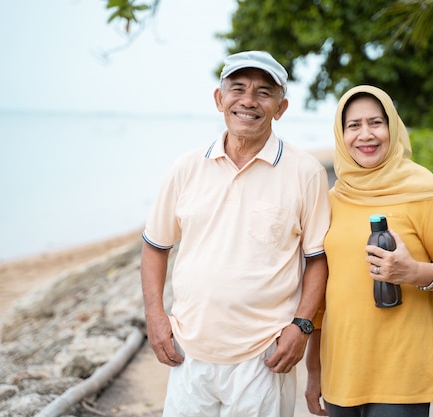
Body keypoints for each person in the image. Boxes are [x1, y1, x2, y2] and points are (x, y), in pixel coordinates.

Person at [140, 50, 331, 417]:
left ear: (281, 106)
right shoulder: (185, 168)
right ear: (219, 99)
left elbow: (317, 260)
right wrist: (155, 316)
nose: (248, 101)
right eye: (238, 88)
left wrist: (301, 327)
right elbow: (155, 246)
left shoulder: (306, 172)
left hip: (264, 355)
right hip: (188, 352)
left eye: (264, 92)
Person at [304, 85, 433, 417]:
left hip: (402, 372)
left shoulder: (425, 191)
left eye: (376, 122)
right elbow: (323, 298)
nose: (365, 134)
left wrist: (416, 273)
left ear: (393, 128)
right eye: (353, 125)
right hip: (341, 370)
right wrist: (315, 371)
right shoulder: (333, 199)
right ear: (341, 135)